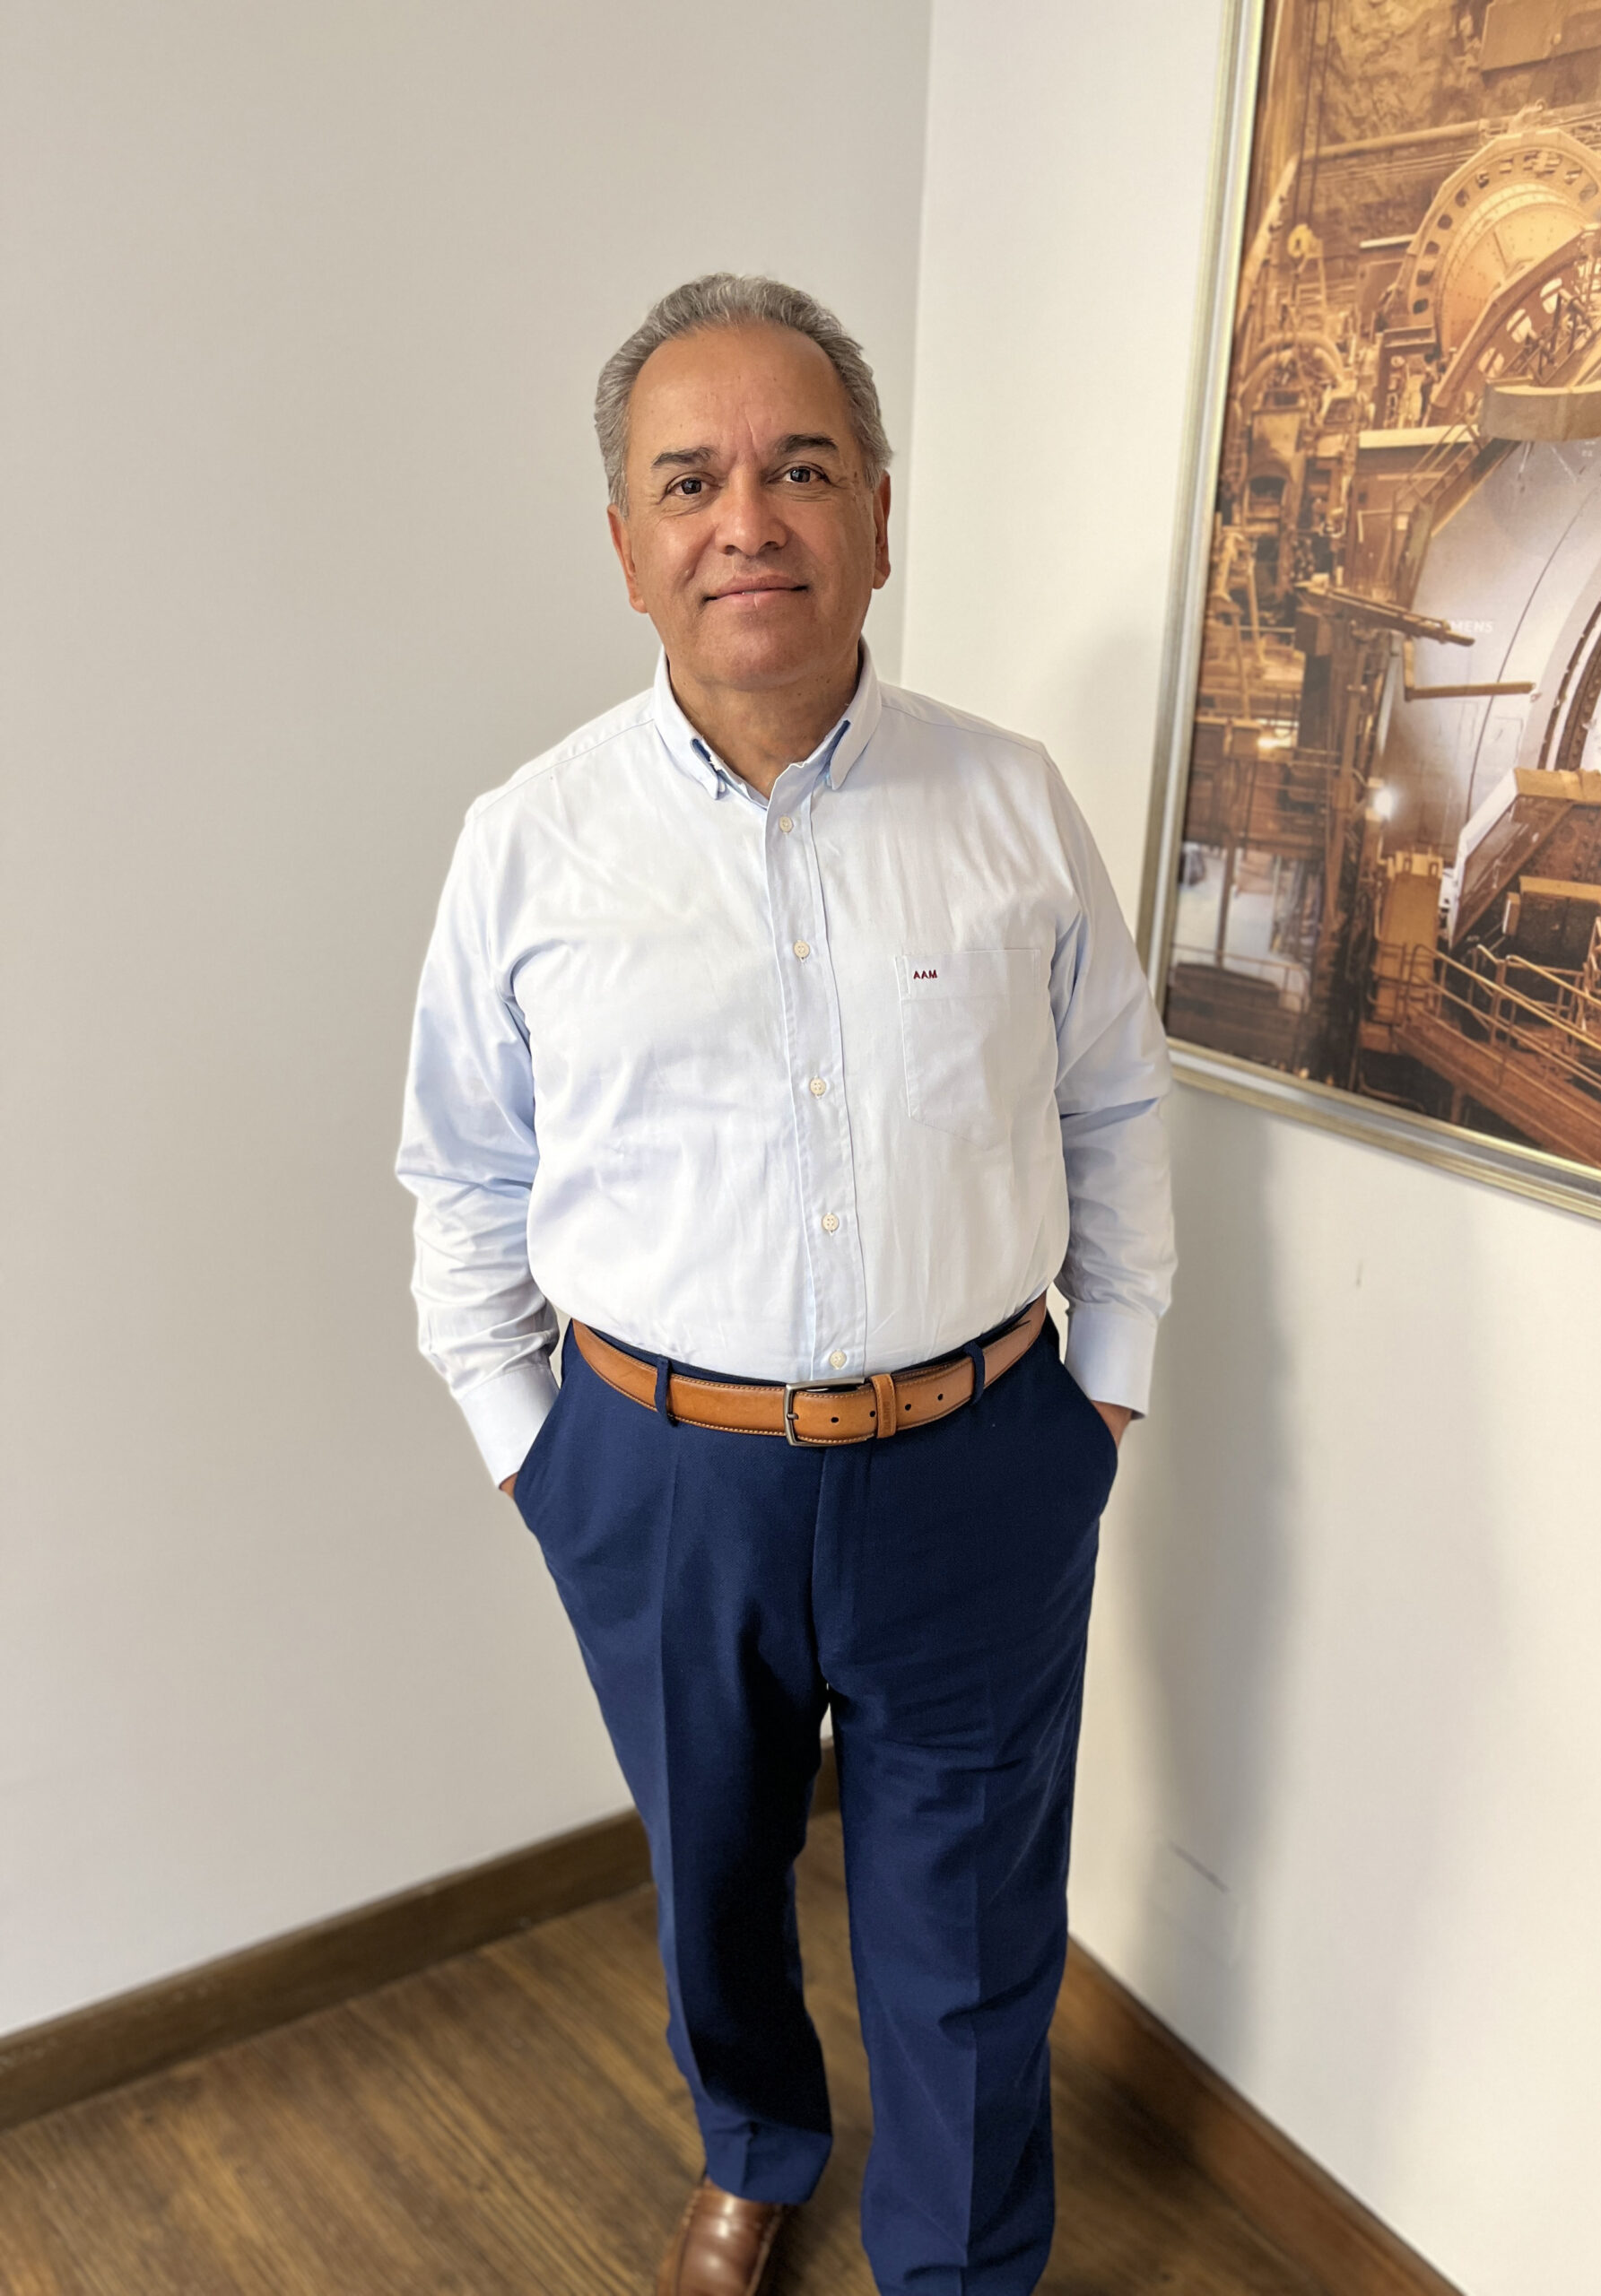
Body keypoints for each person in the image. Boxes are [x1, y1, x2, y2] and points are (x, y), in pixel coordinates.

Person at [397, 274, 1175, 2296]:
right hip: (659, 1481)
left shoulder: (1008, 804)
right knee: (712, 1872)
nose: (748, 519)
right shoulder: (529, 842)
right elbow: (462, 1173)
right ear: (627, 545)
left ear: (879, 519)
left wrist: (1099, 1392)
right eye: (693, 480)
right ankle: (754, 2141)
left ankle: (959, 2265)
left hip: (982, 1459)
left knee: (970, 1924)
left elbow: (1114, 1103)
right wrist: (535, 1450)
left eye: (802, 469)